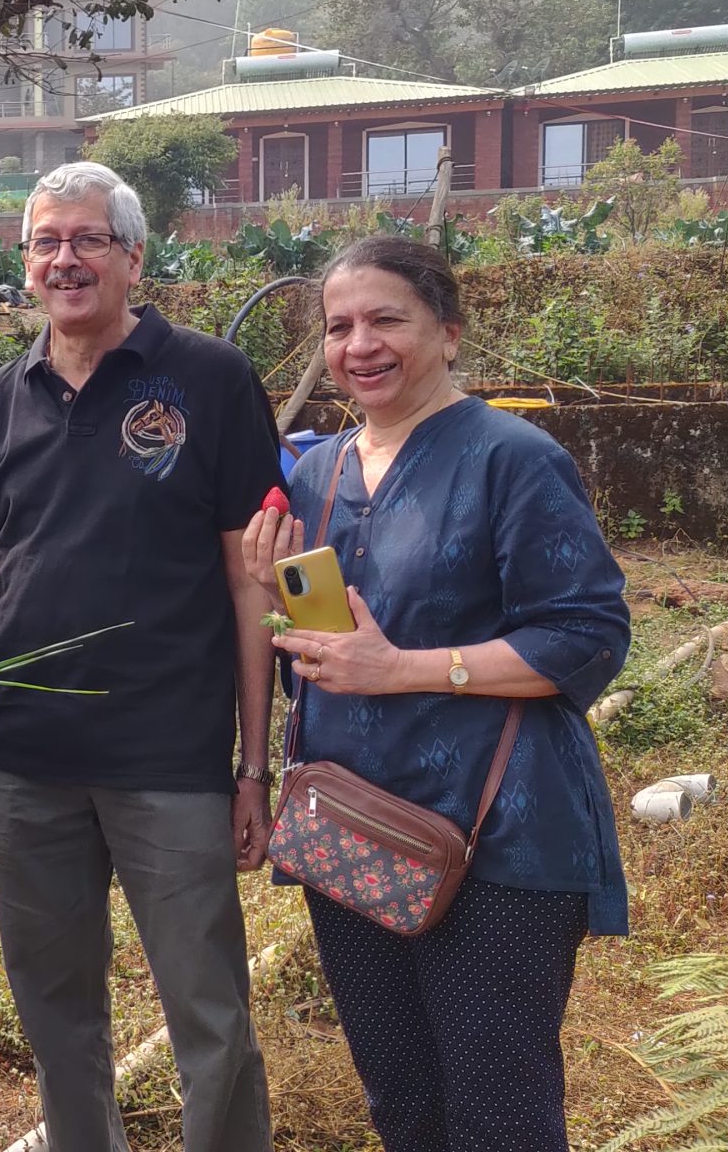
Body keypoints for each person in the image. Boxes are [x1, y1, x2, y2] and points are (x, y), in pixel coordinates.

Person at [0, 160, 280, 1152]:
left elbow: (249, 582)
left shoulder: (207, 381)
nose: (63, 259)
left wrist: (253, 766)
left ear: (133, 257)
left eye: (86, 239)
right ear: (27, 264)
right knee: (56, 1018)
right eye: (46, 242)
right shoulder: (4, 399)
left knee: (208, 1017)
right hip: (23, 762)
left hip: (166, 759)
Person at [241, 237, 629, 1151]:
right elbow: (326, 646)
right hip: (352, 829)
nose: (360, 344)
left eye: (387, 320)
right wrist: (272, 599)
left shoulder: (512, 458)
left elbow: (589, 635)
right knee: (403, 1103)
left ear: (448, 332)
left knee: (500, 1112)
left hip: (496, 840)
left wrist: (407, 667)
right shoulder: (317, 471)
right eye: (339, 326)